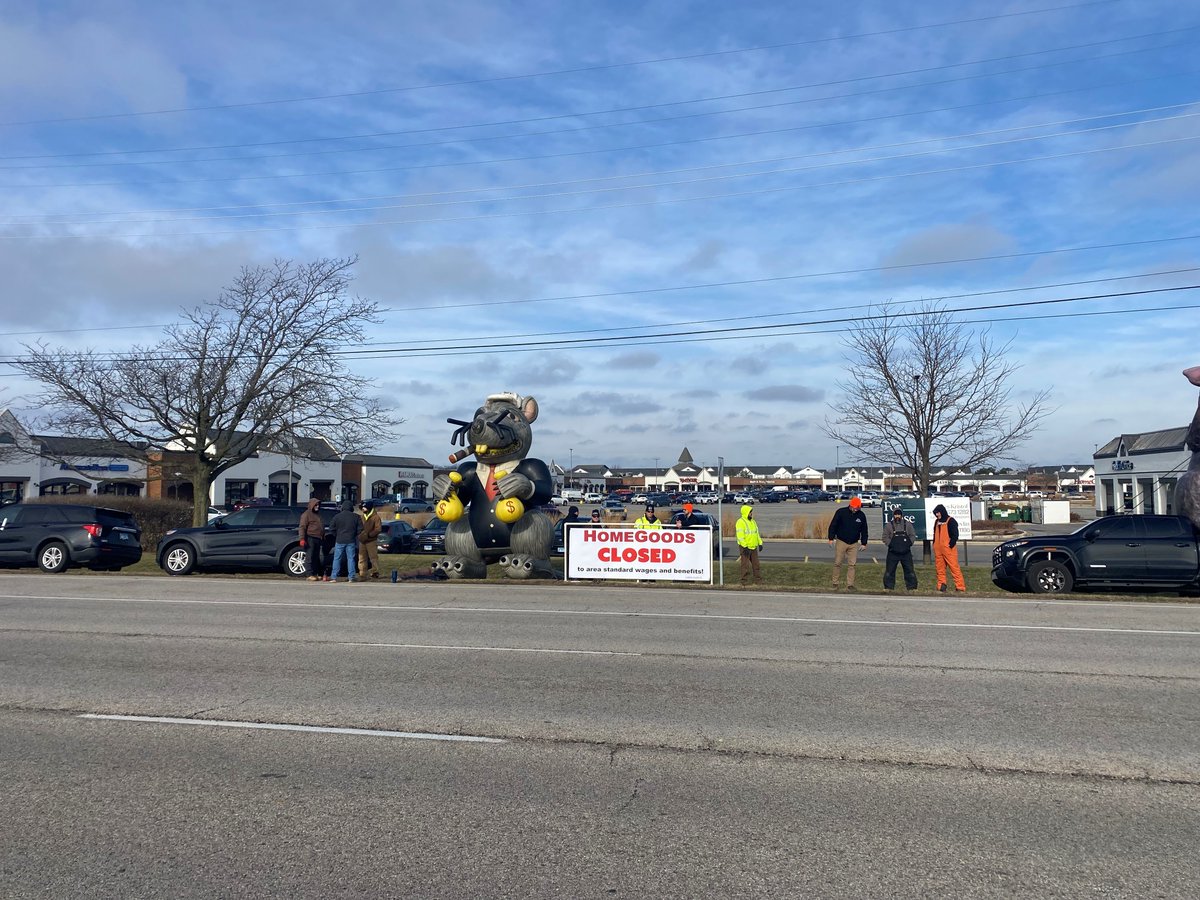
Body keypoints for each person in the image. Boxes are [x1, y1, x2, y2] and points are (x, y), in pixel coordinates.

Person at [828, 496, 869, 591]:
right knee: (838, 563)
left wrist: (864, 543)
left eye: (858, 508)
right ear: (850, 505)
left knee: (852, 565)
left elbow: (864, 530)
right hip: (841, 541)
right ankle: (835, 583)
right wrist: (831, 538)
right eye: (854, 507)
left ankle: (850, 584)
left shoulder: (861, 515)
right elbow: (833, 525)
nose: (856, 509)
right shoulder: (841, 512)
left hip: (854, 543)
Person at [931, 503, 966, 593]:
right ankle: (941, 586)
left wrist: (950, 545)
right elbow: (935, 534)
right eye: (935, 513)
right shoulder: (936, 522)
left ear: (942, 512)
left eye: (938, 513)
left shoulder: (950, 521)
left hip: (948, 549)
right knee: (940, 569)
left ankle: (960, 587)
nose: (937, 515)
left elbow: (955, 535)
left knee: (954, 568)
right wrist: (934, 544)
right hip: (938, 549)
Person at [881, 508, 918, 591]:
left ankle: (912, 588)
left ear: (901, 515)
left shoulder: (908, 525)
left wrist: (909, 544)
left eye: (899, 514)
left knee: (909, 571)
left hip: (906, 553)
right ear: (893, 515)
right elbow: (884, 537)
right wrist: (891, 544)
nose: (897, 516)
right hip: (893, 552)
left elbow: (912, 535)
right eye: (896, 514)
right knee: (889, 571)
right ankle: (888, 588)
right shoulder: (888, 525)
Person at [329, 500, 361, 583]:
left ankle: (334, 577)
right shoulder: (356, 517)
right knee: (351, 559)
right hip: (351, 540)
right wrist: (354, 534)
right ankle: (351, 577)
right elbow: (360, 528)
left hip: (339, 539)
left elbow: (331, 528)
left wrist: (336, 535)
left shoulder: (337, 516)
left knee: (337, 558)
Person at [299, 497, 327, 582]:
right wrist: (302, 539)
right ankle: (309, 574)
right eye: (316, 505)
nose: (317, 506)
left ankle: (315, 574)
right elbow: (302, 527)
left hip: (318, 538)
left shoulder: (317, 514)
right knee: (310, 557)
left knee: (316, 557)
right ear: (312, 505)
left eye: (318, 505)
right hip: (310, 538)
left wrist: (323, 536)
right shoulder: (306, 514)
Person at [735, 504, 763, 586]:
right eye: (750, 512)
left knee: (756, 565)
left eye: (751, 512)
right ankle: (744, 581)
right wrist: (745, 546)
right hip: (745, 548)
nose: (751, 513)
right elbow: (740, 536)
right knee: (745, 565)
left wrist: (760, 543)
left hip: (753, 547)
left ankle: (758, 581)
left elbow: (756, 533)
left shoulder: (753, 522)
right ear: (746, 513)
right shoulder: (740, 522)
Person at [357, 500, 382, 580]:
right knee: (361, 558)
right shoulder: (362, 517)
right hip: (362, 541)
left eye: (364, 507)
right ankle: (362, 573)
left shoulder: (376, 517)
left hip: (371, 541)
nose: (363, 509)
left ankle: (375, 573)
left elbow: (378, 529)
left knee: (373, 557)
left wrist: (369, 535)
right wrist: (360, 536)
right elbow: (358, 528)